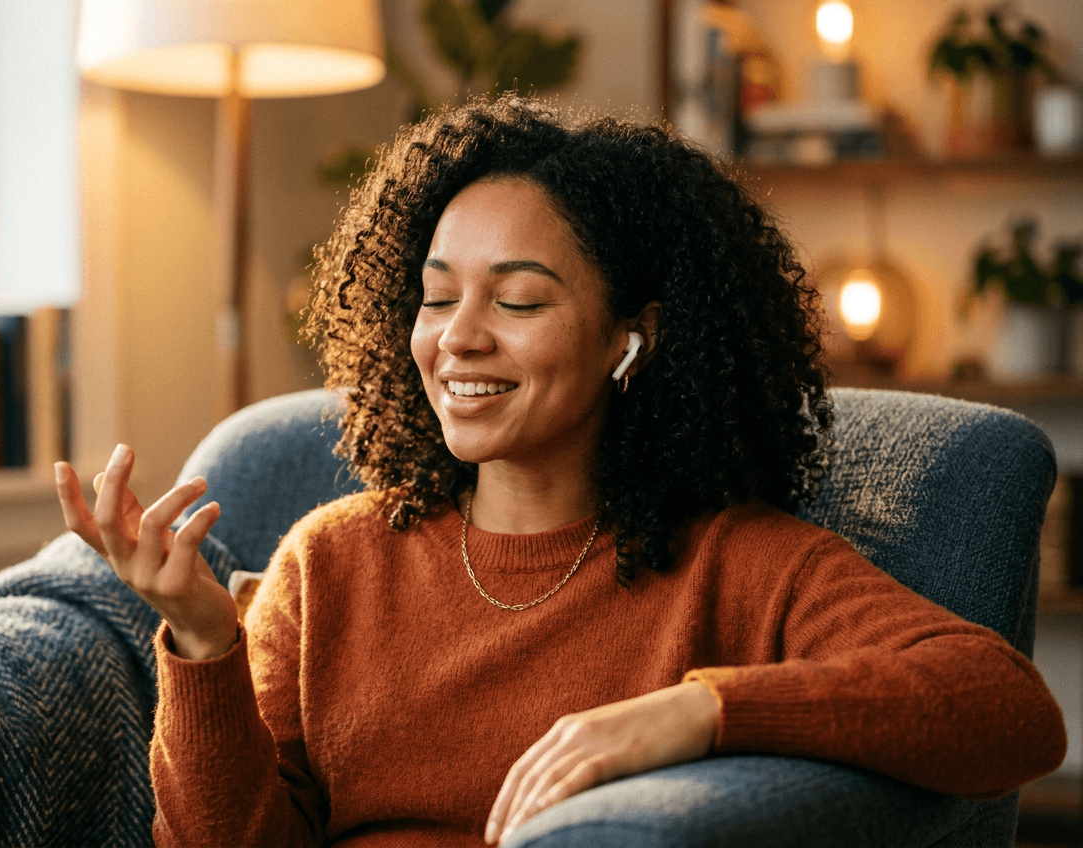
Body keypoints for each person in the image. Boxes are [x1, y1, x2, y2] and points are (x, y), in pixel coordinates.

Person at [55, 96, 1066, 847]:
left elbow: (1006, 708)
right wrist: (199, 635)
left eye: (521, 301)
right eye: (436, 297)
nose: (458, 340)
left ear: (632, 337)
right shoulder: (330, 563)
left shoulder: (737, 561)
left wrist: (698, 709)